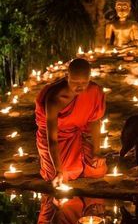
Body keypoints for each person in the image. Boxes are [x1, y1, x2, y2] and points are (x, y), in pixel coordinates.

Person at [35, 58, 107, 186]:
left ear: (90, 78)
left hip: (75, 135)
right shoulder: (55, 98)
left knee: (98, 169)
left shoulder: (94, 91)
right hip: (55, 139)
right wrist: (58, 170)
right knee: (60, 175)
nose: (80, 86)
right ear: (67, 76)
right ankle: (52, 166)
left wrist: (97, 152)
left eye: (84, 82)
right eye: (74, 82)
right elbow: (52, 139)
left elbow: (95, 121)